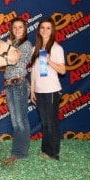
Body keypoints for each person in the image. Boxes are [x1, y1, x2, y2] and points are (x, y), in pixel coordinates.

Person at [30, 17, 66, 160]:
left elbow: (63, 70)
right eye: (42, 28)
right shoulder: (35, 49)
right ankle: (46, 150)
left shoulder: (57, 48)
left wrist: (49, 60)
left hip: (52, 90)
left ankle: (53, 153)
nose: (45, 30)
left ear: (52, 31)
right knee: (45, 122)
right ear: (39, 30)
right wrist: (32, 90)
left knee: (51, 123)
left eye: (48, 28)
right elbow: (33, 70)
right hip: (39, 91)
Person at [2, 17, 33, 164]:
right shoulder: (12, 44)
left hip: (20, 84)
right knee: (15, 121)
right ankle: (16, 152)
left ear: (25, 29)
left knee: (21, 120)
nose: (17, 30)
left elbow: (18, 60)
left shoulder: (26, 44)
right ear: (11, 30)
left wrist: (10, 48)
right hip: (10, 84)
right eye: (14, 27)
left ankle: (21, 152)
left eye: (20, 27)